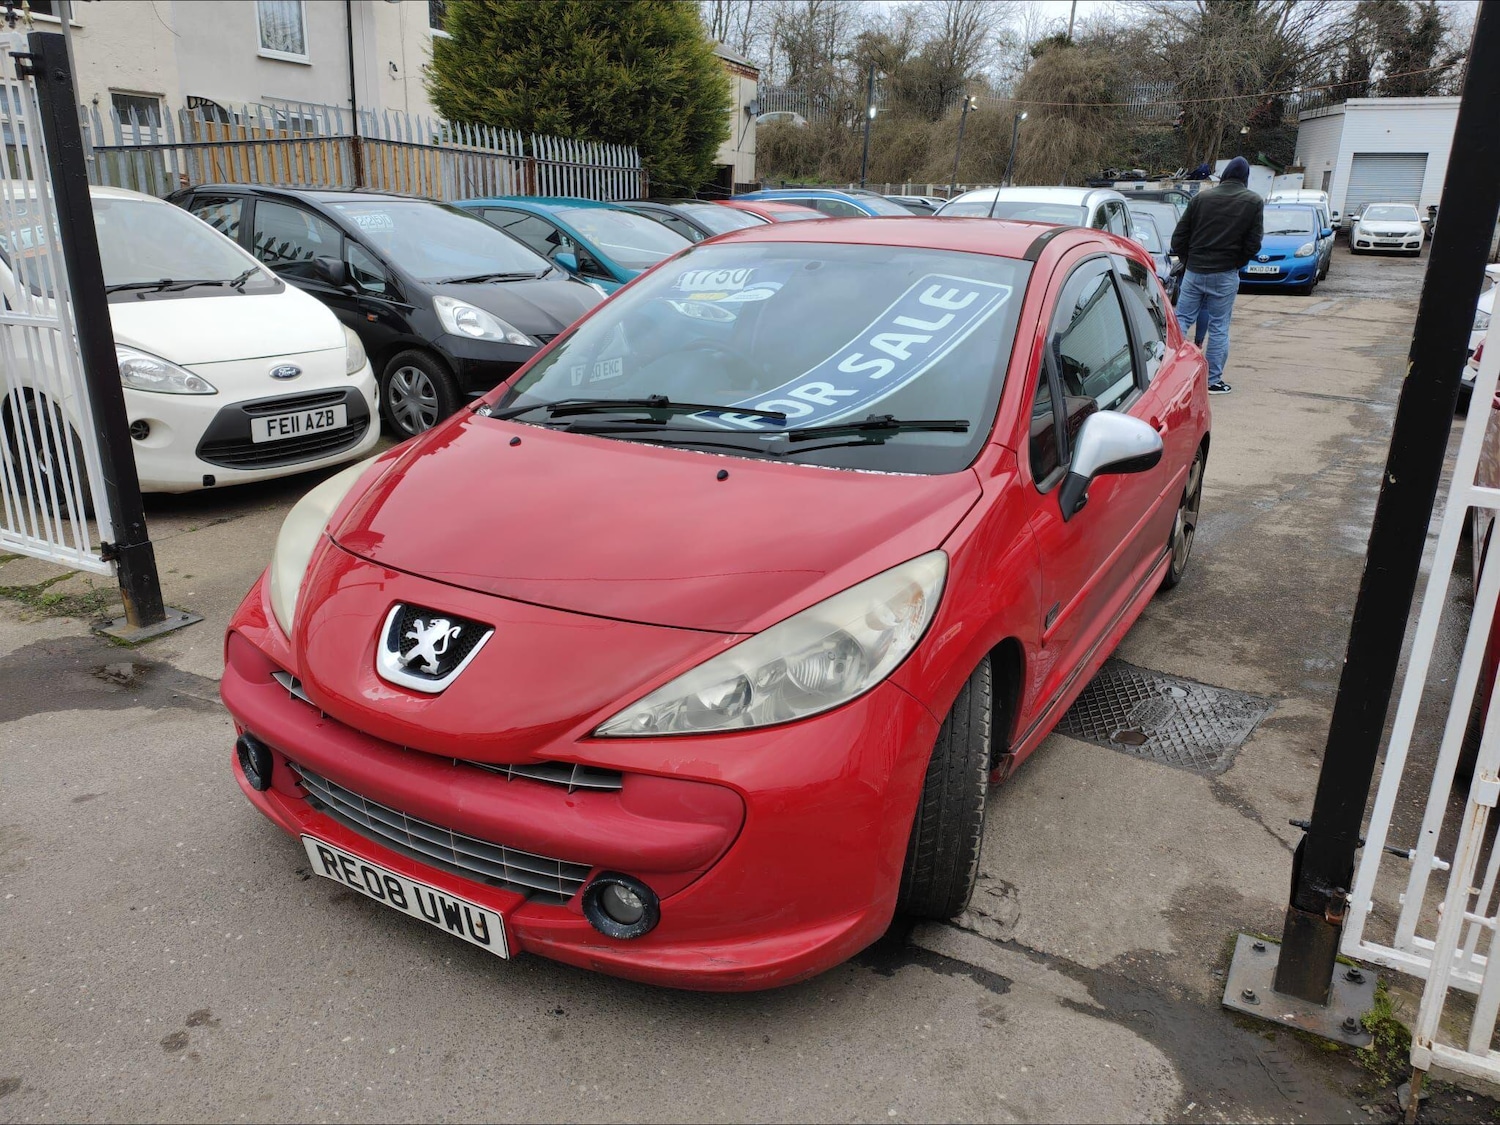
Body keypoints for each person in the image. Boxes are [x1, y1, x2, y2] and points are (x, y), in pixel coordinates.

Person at [1170, 156, 1264, 394]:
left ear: (1224, 175)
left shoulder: (1201, 198)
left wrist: (1188, 261)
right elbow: (1253, 244)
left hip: (1194, 270)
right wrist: (1235, 263)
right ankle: (1212, 381)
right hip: (1224, 273)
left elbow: (1179, 237)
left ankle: (1168, 373)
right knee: (1219, 327)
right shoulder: (1253, 202)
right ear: (1245, 178)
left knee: (1181, 319)